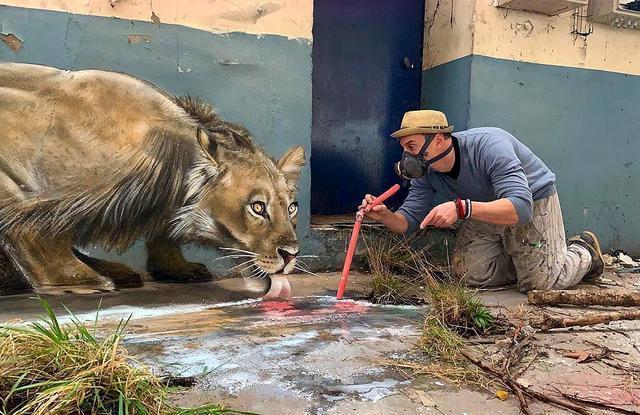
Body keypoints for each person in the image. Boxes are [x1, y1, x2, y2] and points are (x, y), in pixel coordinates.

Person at [359, 110, 604, 292]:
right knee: (468, 273)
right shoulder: (427, 172)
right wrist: (384, 216)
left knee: (540, 284)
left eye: (412, 146)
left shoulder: (489, 145)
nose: (408, 156)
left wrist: (461, 208)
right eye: (404, 149)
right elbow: (409, 221)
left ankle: (583, 251)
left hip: (531, 201)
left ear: (438, 139)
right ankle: (525, 260)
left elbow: (520, 208)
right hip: (482, 209)